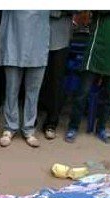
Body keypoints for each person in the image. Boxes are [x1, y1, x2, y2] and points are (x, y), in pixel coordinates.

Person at [65, 11, 110, 144]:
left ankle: (101, 128)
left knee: (109, 95)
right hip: (96, 49)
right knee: (82, 93)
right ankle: (73, 127)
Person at [0, 10, 51, 148]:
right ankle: (10, 128)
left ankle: (29, 129)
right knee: (11, 90)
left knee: (33, 92)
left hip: (37, 45)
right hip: (12, 43)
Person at [41, 12, 74, 140]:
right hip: (36, 36)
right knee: (34, 81)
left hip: (60, 39)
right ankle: (30, 122)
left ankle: (51, 123)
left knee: (56, 81)